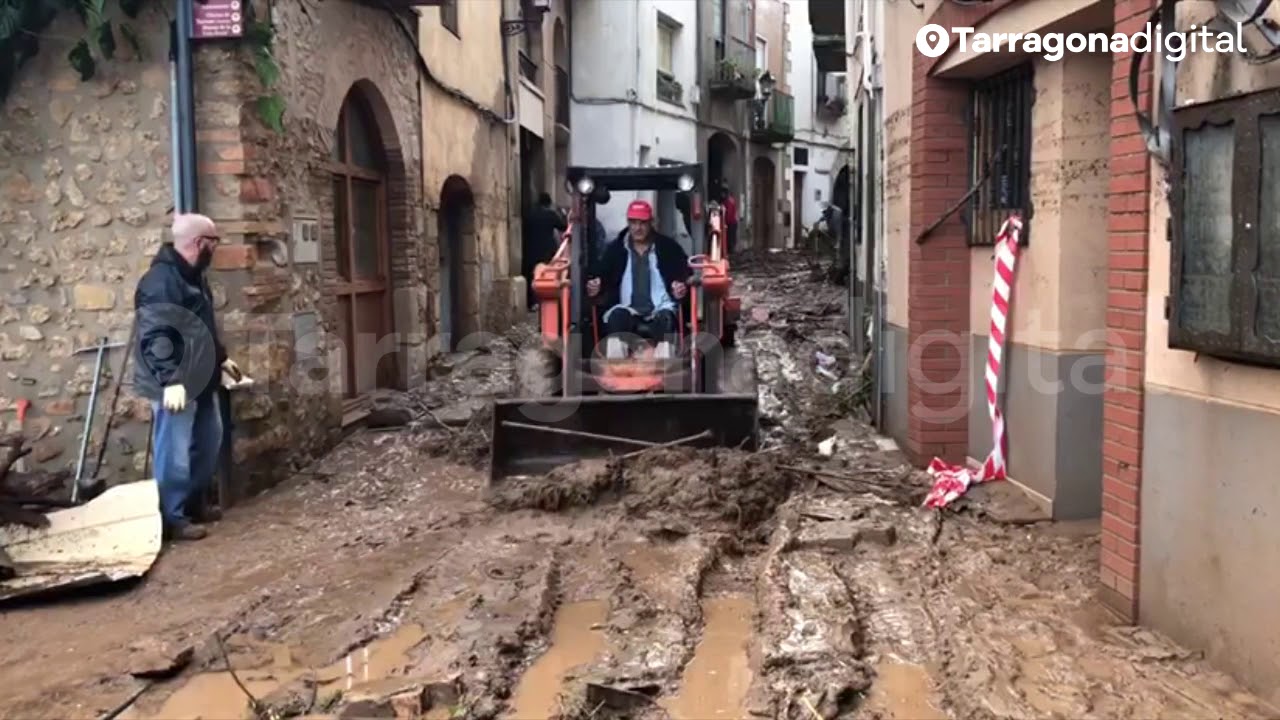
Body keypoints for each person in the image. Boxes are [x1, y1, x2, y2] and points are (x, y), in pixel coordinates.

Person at [133, 213, 241, 541]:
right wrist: (171, 380)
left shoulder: (194, 276)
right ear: (199, 243)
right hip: (176, 382)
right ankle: (172, 517)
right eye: (214, 242)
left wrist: (222, 359)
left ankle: (195, 503)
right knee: (175, 450)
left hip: (201, 375)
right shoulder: (160, 282)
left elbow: (202, 324)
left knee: (208, 440)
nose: (216, 248)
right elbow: (157, 335)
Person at [587, 200, 690, 360]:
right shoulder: (615, 249)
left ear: (651, 223)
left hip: (660, 307)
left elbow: (683, 272)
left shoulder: (669, 247)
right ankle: (616, 368)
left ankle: (664, 369)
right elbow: (602, 273)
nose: (637, 228)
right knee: (615, 319)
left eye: (642, 223)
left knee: (667, 320)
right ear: (628, 222)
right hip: (628, 308)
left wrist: (680, 286)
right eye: (633, 222)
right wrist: (597, 284)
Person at [522, 192, 567, 309]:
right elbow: (563, 226)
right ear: (548, 203)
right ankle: (545, 299)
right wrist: (562, 215)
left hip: (530, 249)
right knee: (545, 275)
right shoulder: (550, 215)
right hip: (546, 250)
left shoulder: (530, 215)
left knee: (532, 275)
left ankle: (532, 302)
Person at [720, 185, 739, 256]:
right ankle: (731, 251)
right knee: (731, 238)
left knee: (730, 238)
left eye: (722, 193)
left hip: (731, 223)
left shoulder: (728, 202)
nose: (722, 195)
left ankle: (731, 253)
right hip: (732, 222)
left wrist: (725, 222)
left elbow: (729, 214)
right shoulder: (729, 200)